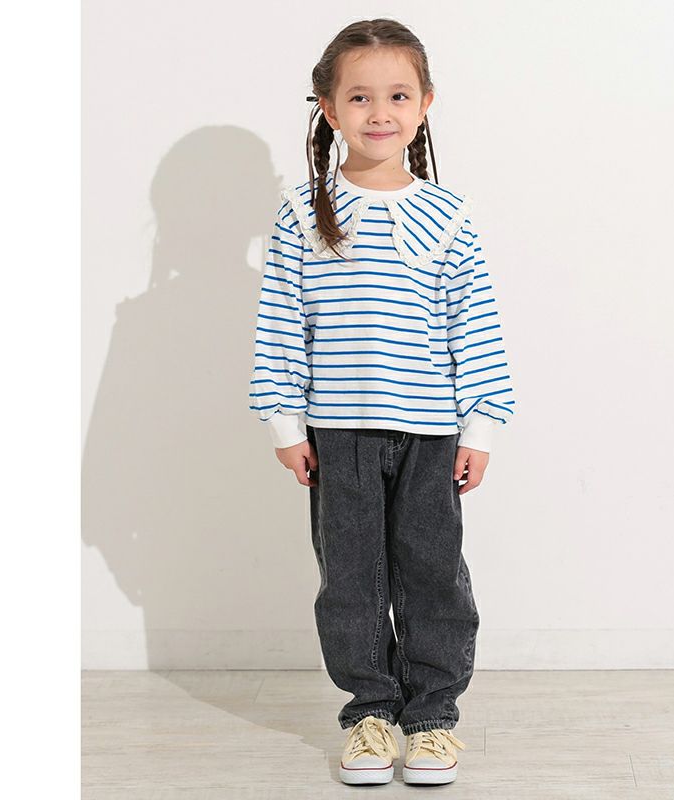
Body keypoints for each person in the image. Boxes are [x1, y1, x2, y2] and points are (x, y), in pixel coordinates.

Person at [248, 18, 516, 786]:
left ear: (425, 104)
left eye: (398, 95)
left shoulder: (449, 215)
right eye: (360, 96)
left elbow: (474, 323)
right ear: (329, 108)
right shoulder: (302, 213)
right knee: (351, 581)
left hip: (432, 434)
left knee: (433, 574)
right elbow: (281, 322)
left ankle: (431, 719)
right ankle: (370, 712)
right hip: (339, 434)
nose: (379, 112)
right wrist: (285, 423)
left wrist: (480, 427)